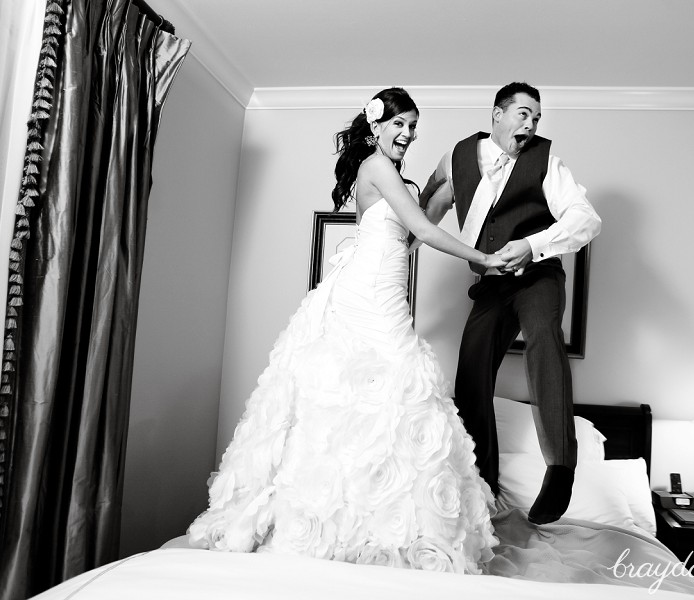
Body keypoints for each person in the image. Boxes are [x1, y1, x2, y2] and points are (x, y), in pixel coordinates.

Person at [187, 88, 503, 573]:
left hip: (387, 294)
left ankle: (378, 522)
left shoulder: (394, 177)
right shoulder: (375, 166)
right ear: (376, 127)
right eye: (399, 124)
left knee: (396, 397)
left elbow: (418, 226)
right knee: (362, 394)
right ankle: (326, 522)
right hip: (365, 295)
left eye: (413, 126)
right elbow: (420, 228)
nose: (407, 134)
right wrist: (481, 258)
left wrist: (448, 174)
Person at [419, 82, 601, 525]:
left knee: (542, 335)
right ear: (497, 115)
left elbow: (586, 220)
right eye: (523, 114)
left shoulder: (547, 163)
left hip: (537, 275)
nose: (531, 124)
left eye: (536, 118)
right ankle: (484, 484)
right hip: (492, 284)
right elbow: (429, 207)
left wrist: (533, 244)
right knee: (471, 372)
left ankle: (560, 468)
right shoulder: (458, 156)